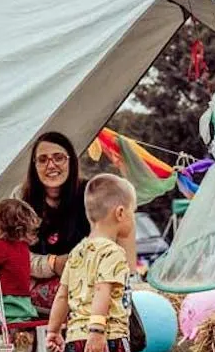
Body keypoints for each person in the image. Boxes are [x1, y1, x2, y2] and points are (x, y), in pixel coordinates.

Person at [15, 131, 136, 310]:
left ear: (71, 161)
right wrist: (53, 263)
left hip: (92, 284)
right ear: (34, 166)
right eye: (42, 160)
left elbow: (121, 236)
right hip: (39, 293)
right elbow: (15, 255)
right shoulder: (21, 199)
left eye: (58, 158)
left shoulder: (92, 193)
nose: (51, 165)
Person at [46, 174, 135, 352]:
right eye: (134, 212)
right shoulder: (113, 252)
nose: (133, 218)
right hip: (107, 340)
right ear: (120, 213)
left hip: (74, 341)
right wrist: (97, 331)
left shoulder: (77, 252)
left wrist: (53, 331)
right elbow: (102, 290)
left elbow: (62, 295)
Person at [0, 199, 40, 327]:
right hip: (22, 310)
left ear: (0, 225)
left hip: (1, 311)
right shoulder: (23, 249)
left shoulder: (1, 247)